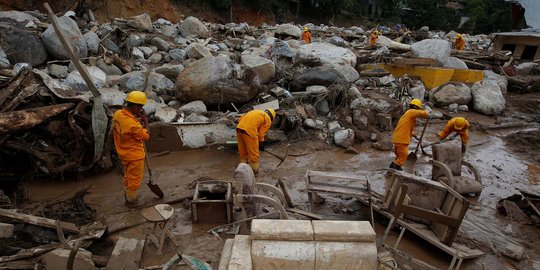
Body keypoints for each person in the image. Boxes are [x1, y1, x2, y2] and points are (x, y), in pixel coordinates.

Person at [113, 90, 150, 204]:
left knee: (128, 177)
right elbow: (146, 136)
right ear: (135, 106)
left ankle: (127, 196)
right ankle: (131, 202)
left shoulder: (118, 114)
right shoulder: (133, 125)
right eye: (140, 107)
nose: (141, 110)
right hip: (135, 156)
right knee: (134, 180)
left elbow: (128, 128)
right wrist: (145, 120)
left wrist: (136, 120)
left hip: (123, 153)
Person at [390, 99, 429, 170]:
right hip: (401, 139)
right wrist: (428, 112)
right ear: (416, 108)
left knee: (399, 155)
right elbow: (423, 114)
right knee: (404, 155)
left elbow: (408, 129)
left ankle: (397, 167)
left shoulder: (408, 115)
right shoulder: (411, 112)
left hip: (398, 138)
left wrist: (415, 135)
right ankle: (392, 169)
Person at [236, 109, 276, 174]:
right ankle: (255, 171)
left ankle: (242, 170)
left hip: (239, 129)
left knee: (243, 153)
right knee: (254, 154)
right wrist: (261, 144)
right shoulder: (267, 118)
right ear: (271, 117)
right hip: (250, 131)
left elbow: (241, 118)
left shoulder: (255, 111)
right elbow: (261, 134)